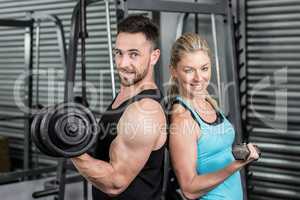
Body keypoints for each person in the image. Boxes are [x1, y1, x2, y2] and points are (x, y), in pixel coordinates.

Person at [71, 15, 167, 200]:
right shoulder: (126, 95)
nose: (123, 64)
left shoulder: (144, 111)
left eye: (133, 54)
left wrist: (68, 147)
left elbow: (115, 182)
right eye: (118, 53)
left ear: (154, 56)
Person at [167, 32, 260, 200]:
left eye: (204, 68)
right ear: (173, 71)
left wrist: (240, 153)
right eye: (189, 70)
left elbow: (215, 152)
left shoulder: (209, 102)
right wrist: (238, 164)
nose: (199, 78)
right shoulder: (183, 120)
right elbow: (189, 189)